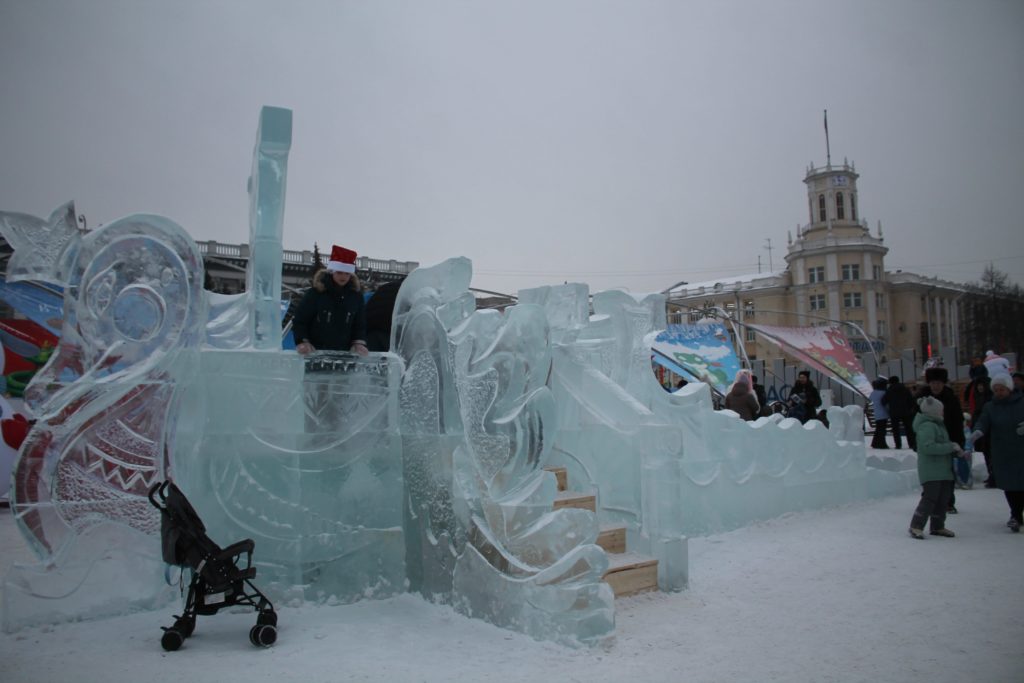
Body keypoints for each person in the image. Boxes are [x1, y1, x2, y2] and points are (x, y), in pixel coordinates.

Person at [291, 244, 369, 357]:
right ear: (332, 271)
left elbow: (359, 325)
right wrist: (303, 341)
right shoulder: (316, 293)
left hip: (345, 359)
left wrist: (358, 343)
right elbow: (300, 320)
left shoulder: (356, 297)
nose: (343, 277)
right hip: (316, 356)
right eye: (339, 272)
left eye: (347, 273)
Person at [970, 374, 1024, 532]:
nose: (999, 392)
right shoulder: (990, 406)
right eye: (996, 390)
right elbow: (983, 420)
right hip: (1002, 451)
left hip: (1021, 449)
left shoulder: (1022, 403)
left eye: (1002, 389)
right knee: (1009, 484)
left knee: (1022, 483)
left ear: (1009, 389)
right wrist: (978, 431)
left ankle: (1017, 514)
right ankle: (1015, 515)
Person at [908, 396, 961, 539]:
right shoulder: (927, 426)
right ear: (934, 411)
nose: (943, 413)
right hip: (931, 470)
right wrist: (949, 447)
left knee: (943, 498)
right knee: (930, 498)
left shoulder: (937, 425)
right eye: (941, 410)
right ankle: (916, 525)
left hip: (943, 469)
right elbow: (928, 447)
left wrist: (954, 449)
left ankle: (938, 526)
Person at [916, 366, 965, 513]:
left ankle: (948, 501)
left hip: (947, 441)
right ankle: (928, 499)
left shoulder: (951, 398)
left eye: (938, 383)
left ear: (943, 383)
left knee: (947, 473)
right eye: (933, 383)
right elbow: (915, 420)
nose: (935, 386)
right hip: (928, 441)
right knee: (929, 472)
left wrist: (958, 441)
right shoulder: (922, 399)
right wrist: (915, 440)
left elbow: (957, 421)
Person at [963, 375, 994, 486]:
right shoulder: (977, 396)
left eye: (982, 385)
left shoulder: (990, 398)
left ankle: (994, 476)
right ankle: (991, 474)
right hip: (980, 428)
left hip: (989, 431)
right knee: (986, 452)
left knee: (991, 452)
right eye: (979, 385)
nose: (980, 387)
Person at [884, 376, 916, 450]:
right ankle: (911, 444)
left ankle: (898, 445)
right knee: (909, 429)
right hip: (906, 412)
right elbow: (911, 400)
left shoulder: (889, 390)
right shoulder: (905, 389)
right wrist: (910, 408)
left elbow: (883, 401)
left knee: (896, 429)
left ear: (891, 382)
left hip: (894, 413)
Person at [869, 377, 890, 449]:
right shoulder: (884, 393)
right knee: (882, 430)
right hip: (884, 413)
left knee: (878, 429)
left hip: (877, 414)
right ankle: (881, 443)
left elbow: (869, 399)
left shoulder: (873, 393)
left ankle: (875, 443)